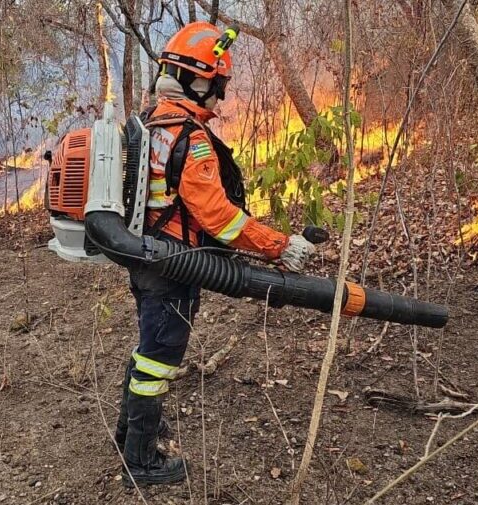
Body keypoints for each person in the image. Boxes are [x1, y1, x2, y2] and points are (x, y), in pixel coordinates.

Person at [114, 22, 316, 487]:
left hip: (147, 258)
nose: (219, 98)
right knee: (159, 356)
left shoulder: (149, 121)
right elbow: (219, 217)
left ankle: (130, 431)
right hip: (173, 263)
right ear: (197, 79)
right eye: (217, 86)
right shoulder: (190, 136)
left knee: (149, 348)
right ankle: (140, 461)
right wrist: (280, 246)